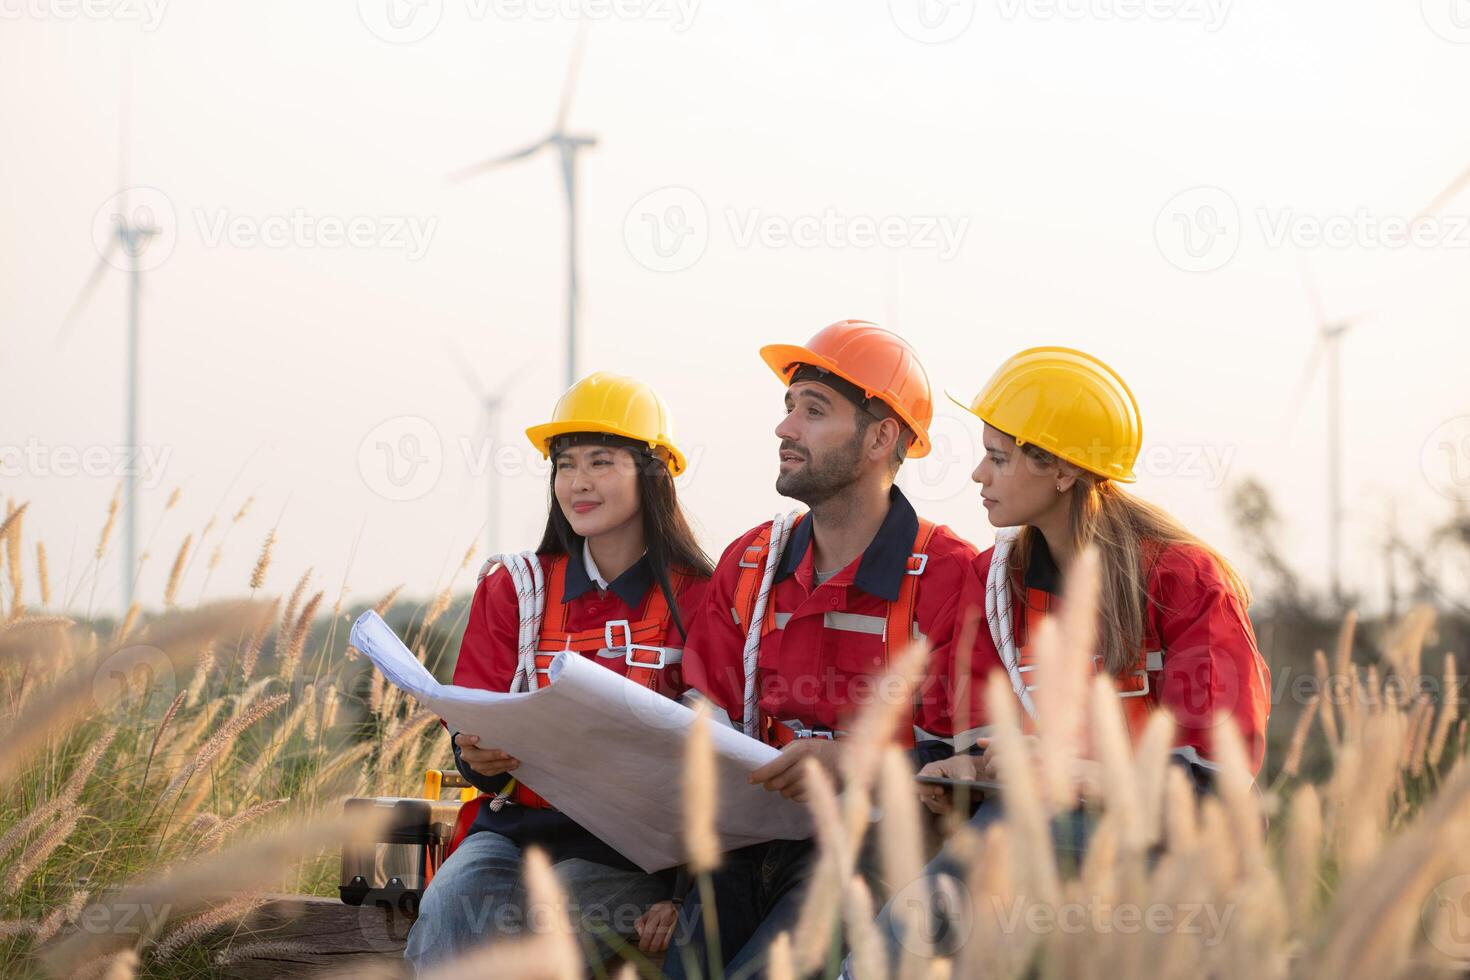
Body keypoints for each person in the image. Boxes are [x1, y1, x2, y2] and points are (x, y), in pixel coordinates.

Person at [849, 346, 1272, 977]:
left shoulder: (1182, 580)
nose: (978, 477)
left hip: (1175, 849)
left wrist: (1073, 774)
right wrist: (960, 768)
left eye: (998, 459)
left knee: (997, 847)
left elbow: (1216, 777)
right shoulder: (994, 582)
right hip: (1033, 830)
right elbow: (955, 726)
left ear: (1062, 472)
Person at [665, 320, 983, 980]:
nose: (786, 429)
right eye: (788, 409)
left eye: (814, 411)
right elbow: (703, 709)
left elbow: (971, 760)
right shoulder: (750, 562)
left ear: (880, 437)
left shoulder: (951, 575)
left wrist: (850, 762)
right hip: (745, 843)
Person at [404, 372, 714, 973]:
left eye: (601, 462)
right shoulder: (514, 589)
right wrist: (476, 753)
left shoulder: (703, 597)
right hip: (513, 834)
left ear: (653, 475)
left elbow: (723, 755)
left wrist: (685, 893)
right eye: (565, 465)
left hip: (637, 853)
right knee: (447, 913)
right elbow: (470, 726)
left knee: (538, 938)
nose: (578, 482)